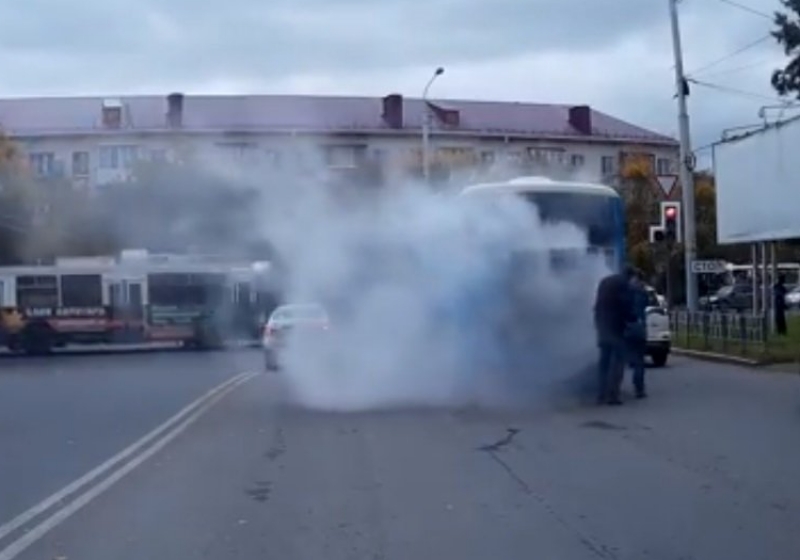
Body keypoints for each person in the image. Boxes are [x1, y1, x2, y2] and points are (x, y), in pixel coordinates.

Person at [593, 266, 636, 405]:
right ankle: (613, 396)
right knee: (618, 362)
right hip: (615, 329)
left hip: (601, 326)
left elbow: (597, 305)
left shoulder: (605, 281)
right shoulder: (623, 284)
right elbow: (625, 306)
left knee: (604, 363)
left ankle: (601, 394)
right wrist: (632, 319)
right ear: (631, 276)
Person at [624, 269, 649, 399]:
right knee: (639, 361)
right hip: (639, 328)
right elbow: (645, 304)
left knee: (618, 359)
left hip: (625, 328)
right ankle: (639, 388)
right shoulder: (641, 292)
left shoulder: (624, 291)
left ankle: (613, 390)